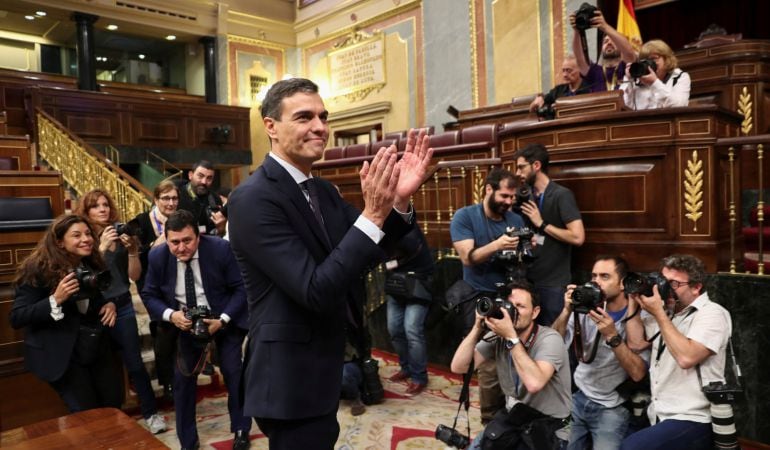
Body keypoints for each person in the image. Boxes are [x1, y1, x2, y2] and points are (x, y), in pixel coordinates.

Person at [227, 77, 432, 449]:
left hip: (322, 365)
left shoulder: (319, 190)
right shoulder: (252, 199)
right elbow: (315, 289)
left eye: (323, 116)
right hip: (288, 380)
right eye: (304, 117)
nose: (320, 127)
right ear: (270, 126)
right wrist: (373, 212)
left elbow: (371, 247)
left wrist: (397, 203)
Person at [141, 210, 251, 450]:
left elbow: (241, 289)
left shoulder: (221, 249)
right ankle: (188, 441)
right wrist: (172, 316)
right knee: (182, 381)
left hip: (221, 318)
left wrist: (221, 320)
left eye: (187, 240)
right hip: (185, 322)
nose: (181, 248)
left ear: (198, 236)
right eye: (175, 242)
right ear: (167, 239)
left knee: (234, 372)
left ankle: (241, 429)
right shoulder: (158, 256)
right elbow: (149, 294)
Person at [75, 189, 167, 434]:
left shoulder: (119, 230)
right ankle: (106, 418)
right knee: (102, 367)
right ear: (86, 211)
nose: (103, 209)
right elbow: (85, 277)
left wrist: (134, 250)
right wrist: (102, 247)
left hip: (123, 304)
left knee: (135, 363)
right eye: (96, 206)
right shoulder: (82, 238)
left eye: (105, 204)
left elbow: (134, 276)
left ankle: (151, 414)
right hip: (95, 309)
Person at [10, 214, 121, 412]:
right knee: (88, 415)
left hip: (93, 347)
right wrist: (55, 299)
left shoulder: (91, 262)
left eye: (88, 234)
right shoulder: (37, 269)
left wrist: (109, 303)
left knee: (113, 405)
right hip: (63, 354)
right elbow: (17, 317)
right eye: (76, 235)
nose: (86, 239)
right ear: (60, 242)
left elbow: (94, 297)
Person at [621, 255, 732, 450]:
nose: (666, 288)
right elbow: (636, 344)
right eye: (662, 280)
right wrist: (634, 301)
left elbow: (686, 357)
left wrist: (660, 314)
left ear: (696, 287)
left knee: (632, 447)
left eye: (674, 283)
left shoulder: (712, 313)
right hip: (658, 412)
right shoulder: (667, 311)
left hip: (694, 416)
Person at [450, 281, 571, 450]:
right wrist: (477, 327)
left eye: (520, 306)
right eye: (510, 305)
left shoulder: (550, 340)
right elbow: (459, 367)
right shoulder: (498, 337)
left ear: (535, 312)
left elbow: (534, 383)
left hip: (549, 426)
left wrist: (511, 338)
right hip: (515, 417)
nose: (513, 311)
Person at [449, 167, 526, 423]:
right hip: (479, 296)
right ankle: (490, 420)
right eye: (504, 196)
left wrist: (520, 252)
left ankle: (511, 414)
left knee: (514, 356)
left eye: (512, 197)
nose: (509, 202)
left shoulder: (515, 220)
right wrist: (498, 245)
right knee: (488, 365)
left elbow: (520, 259)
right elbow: (467, 258)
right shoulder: (465, 217)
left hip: (511, 294)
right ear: (488, 189)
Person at [551, 256, 649, 450]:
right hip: (578, 397)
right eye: (593, 276)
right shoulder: (584, 308)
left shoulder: (640, 318)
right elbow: (553, 346)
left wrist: (612, 335)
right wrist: (566, 311)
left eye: (604, 276)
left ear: (623, 284)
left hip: (612, 406)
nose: (596, 282)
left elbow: (638, 373)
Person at [514, 143, 585, 327]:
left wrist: (542, 224)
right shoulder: (526, 196)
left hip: (553, 283)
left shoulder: (561, 194)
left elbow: (577, 237)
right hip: (528, 280)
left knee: (556, 338)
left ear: (536, 166)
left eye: (521, 167)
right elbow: (540, 238)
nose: (517, 173)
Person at [133, 179, 180, 402]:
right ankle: (167, 382)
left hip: (177, 282)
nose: (170, 203)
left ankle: (180, 377)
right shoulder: (142, 222)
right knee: (161, 333)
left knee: (176, 333)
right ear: (155, 199)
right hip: (151, 284)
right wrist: (158, 243)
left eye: (174, 198)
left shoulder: (181, 221)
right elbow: (136, 256)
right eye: (166, 198)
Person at [385, 224, 434, 396]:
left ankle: (419, 377)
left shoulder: (406, 225)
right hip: (397, 285)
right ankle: (406, 368)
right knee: (394, 329)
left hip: (418, 284)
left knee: (412, 330)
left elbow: (409, 245)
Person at [570, 9, 637, 92]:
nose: (609, 43)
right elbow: (579, 57)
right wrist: (577, 30)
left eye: (612, 40)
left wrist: (604, 26)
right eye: (605, 41)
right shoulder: (594, 72)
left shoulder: (626, 67)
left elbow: (629, 52)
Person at [622, 39, 691, 110]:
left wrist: (654, 83)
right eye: (644, 60)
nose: (648, 63)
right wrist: (629, 80)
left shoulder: (679, 77)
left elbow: (679, 106)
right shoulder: (638, 78)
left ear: (667, 59)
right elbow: (623, 107)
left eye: (654, 58)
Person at [177, 160, 226, 236]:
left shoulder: (215, 199)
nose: (204, 182)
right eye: (200, 176)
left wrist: (221, 228)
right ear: (190, 175)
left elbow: (219, 233)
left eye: (209, 178)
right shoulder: (177, 195)